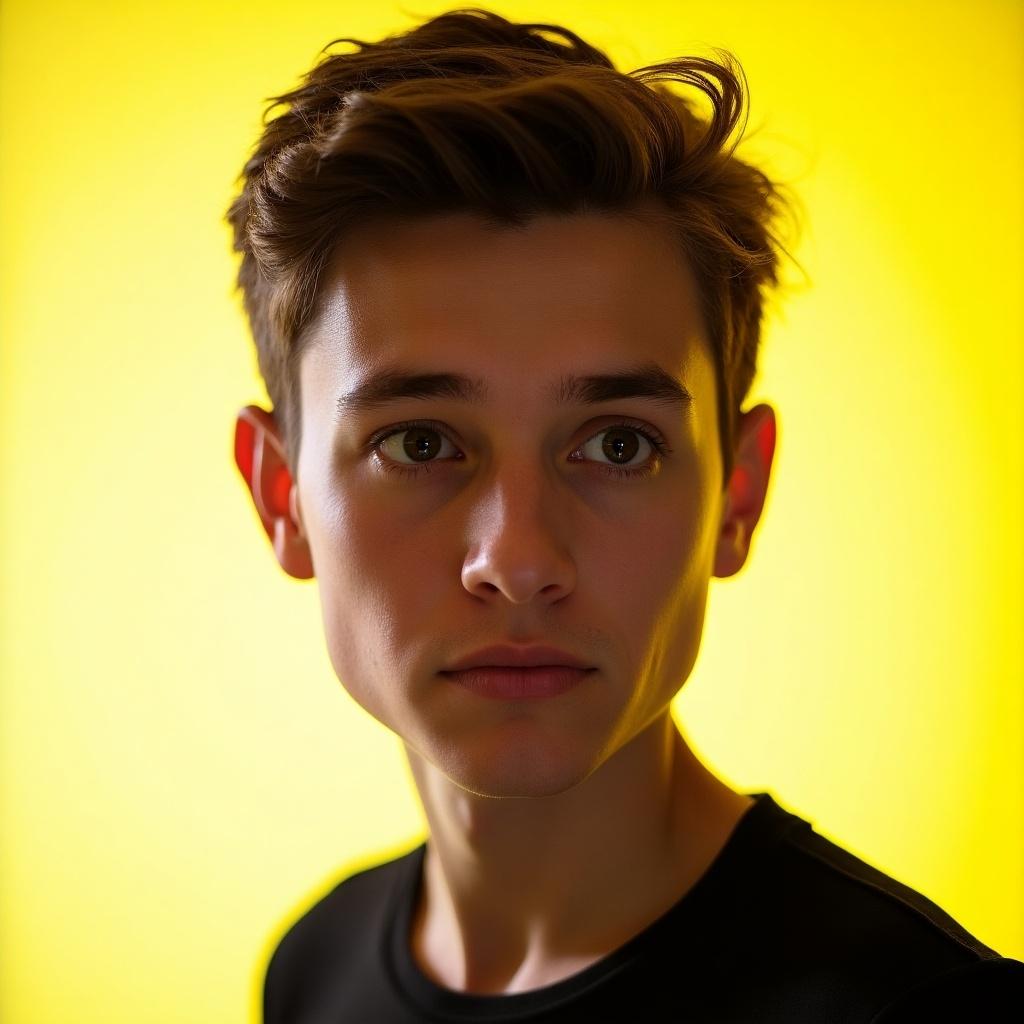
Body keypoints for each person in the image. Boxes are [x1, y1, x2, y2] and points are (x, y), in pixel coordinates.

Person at [225, 7, 1024, 1021]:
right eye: (420, 442)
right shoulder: (311, 971)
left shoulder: (916, 1006)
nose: (517, 560)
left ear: (737, 493)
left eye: (616, 443)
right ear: (281, 497)